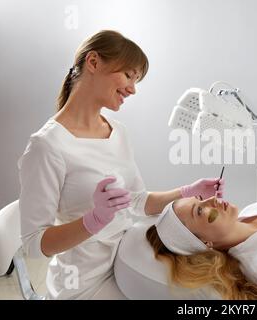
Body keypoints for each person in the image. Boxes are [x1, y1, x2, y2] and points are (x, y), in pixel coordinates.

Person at [17, 30, 224, 300]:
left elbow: (137, 201)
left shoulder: (117, 131)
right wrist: (94, 221)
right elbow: (34, 244)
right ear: (93, 62)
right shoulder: (47, 146)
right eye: (129, 75)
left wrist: (189, 192)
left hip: (127, 258)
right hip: (85, 282)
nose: (132, 88)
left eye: (136, 79)